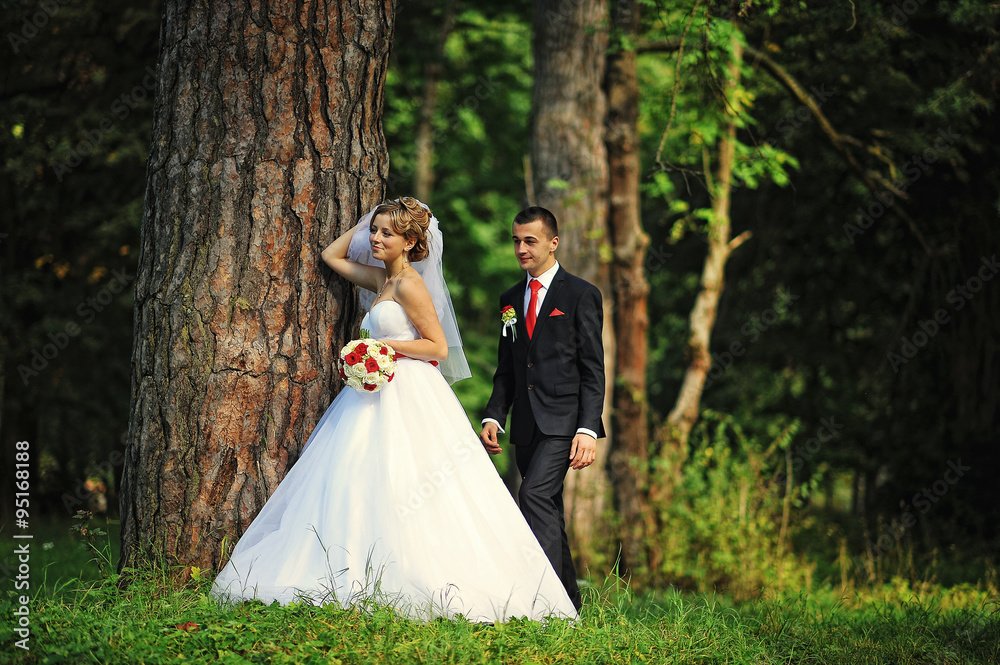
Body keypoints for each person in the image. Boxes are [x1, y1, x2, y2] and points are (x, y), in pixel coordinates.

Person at [211, 198, 578, 623]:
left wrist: (382, 348)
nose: (376, 238)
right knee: (356, 476)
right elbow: (331, 256)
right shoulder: (381, 281)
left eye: (388, 233)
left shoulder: (409, 285)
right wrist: (370, 217)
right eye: (375, 231)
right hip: (370, 394)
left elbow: (436, 347)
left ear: (410, 241)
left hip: (409, 393)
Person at [479, 206, 606, 611]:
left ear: (553, 243)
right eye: (516, 240)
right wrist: (494, 415)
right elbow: (508, 368)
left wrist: (588, 429)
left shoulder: (581, 294)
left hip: (564, 423)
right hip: (526, 426)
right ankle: (570, 605)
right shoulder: (510, 300)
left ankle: (545, 606)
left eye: (530, 241)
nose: (521, 248)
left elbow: (593, 369)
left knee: (531, 495)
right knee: (548, 508)